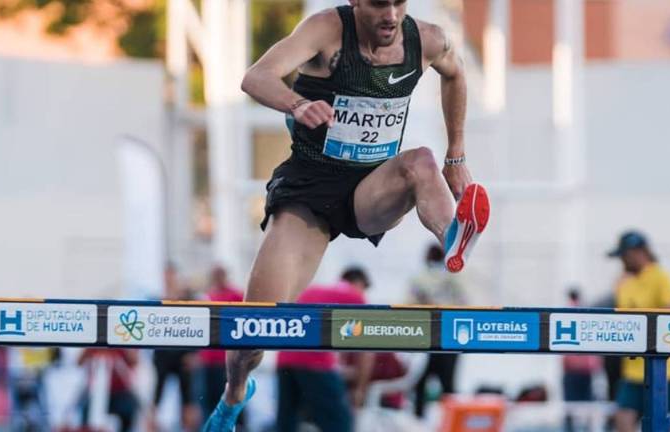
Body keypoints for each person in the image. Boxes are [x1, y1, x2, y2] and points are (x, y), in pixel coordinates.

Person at [204, 1, 491, 430]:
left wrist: (457, 154)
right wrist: (297, 103)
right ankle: (234, 394)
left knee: (422, 163)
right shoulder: (325, 30)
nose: (390, 16)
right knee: (254, 327)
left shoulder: (426, 38)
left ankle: (452, 238)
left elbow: (456, 72)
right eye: (378, 5)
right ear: (356, 3)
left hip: (371, 188)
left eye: (399, 3)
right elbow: (255, 77)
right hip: (310, 193)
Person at [608, 230, 670, 432]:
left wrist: (645, 325)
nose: (622, 261)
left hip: (669, 369)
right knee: (622, 419)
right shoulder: (625, 282)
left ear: (640, 252)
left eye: (624, 256)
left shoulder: (660, 277)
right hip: (635, 368)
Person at [276, 267, 374, 432]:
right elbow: (366, 351)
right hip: (314, 362)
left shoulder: (315, 290)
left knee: (287, 421)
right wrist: (360, 390)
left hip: (285, 359)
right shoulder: (355, 296)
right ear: (359, 283)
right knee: (339, 422)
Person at [409, 243, 466, 418]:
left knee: (444, 384)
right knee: (444, 384)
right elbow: (464, 303)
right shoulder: (452, 277)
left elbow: (411, 304)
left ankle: (451, 422)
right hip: (444, 335)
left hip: (441, 335)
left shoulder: (425, 278)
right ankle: (447, 421)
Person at [148, 262, 201, 432]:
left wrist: (194, 353)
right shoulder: (157, 298)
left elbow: (198, 325)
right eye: (166, 275)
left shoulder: (187, 297)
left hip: (182, 354)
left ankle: (189, 427)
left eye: (171, 275)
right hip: (163, 354)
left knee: (187, 396)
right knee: (157, 395)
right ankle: (151, 426)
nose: (168, 278)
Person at [198, 266, 246, 423]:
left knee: (232, 398)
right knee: (209, 401)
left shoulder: (236, 294)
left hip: (228, 360)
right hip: (208, 360)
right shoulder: (208, 296)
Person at [560, 288, 602, 432]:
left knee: (571, 406)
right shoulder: (586, 311)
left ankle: (572, 428)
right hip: (585, 369)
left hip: (574, 370)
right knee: (586, 405)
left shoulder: (566, 312)